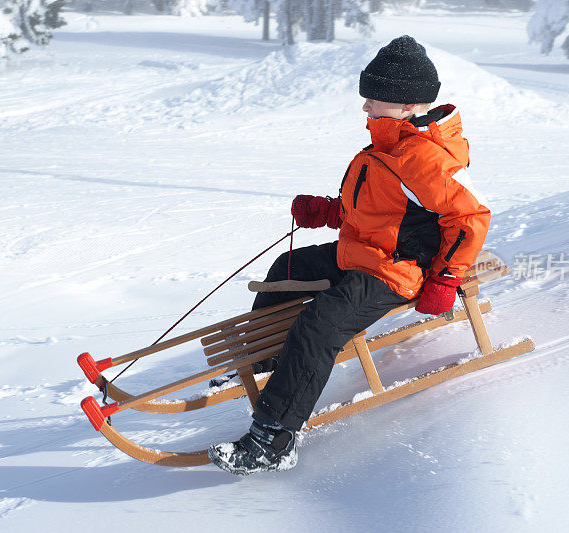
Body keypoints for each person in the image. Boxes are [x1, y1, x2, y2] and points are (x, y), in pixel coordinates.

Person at [208, 35, 491, 475]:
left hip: (397, 269)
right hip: (363, 252)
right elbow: (382, 210)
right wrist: (328, 212)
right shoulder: (387, 146)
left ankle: (273, 441)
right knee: (286, 269)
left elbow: (470, 217)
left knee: (319, 325)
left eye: (373, 100)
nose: (365, 109)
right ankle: (266, 362)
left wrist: (446, 279)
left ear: (406, 104)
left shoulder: (419, 158)